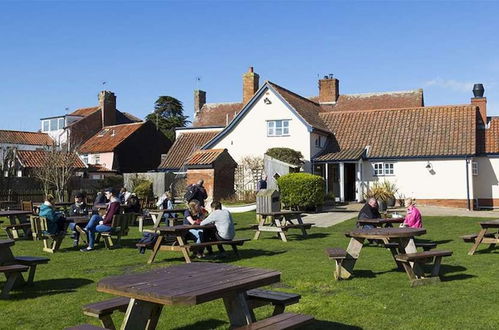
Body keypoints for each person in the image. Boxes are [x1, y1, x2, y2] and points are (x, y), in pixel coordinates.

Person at [80, 187, 121, 252]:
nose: (105, 195)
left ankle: (90, 246)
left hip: (109, 226)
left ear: (111, 194)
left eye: (106, 193)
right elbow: (110, 215)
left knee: (92, 229)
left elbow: (110, 217)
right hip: (111, 223)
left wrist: (103, 222)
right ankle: (86, 229)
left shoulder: (114, 204)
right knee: (95, 216)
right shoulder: (114, 203)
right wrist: (105, 216)